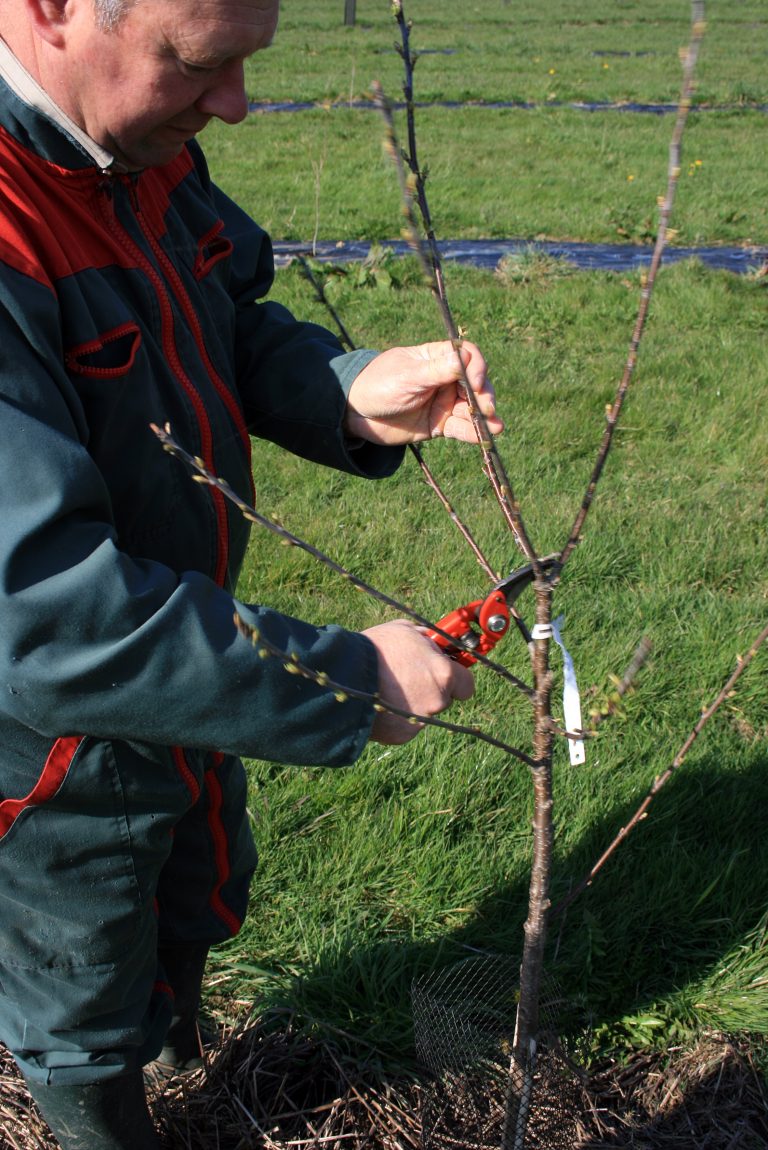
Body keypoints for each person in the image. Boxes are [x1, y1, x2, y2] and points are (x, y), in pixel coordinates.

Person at [0, 0, 502, 1145]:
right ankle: (99, 1119)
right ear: (52, 11)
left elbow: (219, 310)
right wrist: (342, 677)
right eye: (198, 62)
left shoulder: (134, 147)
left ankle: (176, 1056)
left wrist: (343, 387)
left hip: (185, 667)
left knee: (193, 885)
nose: (236, 103)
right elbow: (42, 617)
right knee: (78, 978)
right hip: (46, 748)